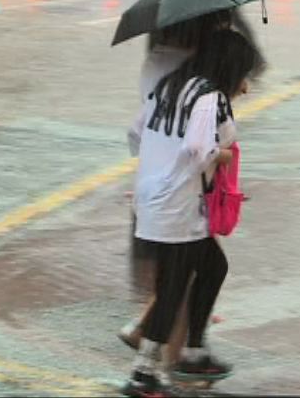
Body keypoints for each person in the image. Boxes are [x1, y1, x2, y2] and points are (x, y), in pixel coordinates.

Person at [123, 29, 263, 397]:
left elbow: (135, 133)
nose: (244, 80)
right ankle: (143, 374)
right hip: (178, 207)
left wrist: (157, 166)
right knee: (172, 287)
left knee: (213, 266)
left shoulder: (171, 85)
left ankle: (193, 352)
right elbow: (199, 150)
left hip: (155, 199)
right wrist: (223, 155)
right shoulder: (208, 97)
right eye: (243, 72)